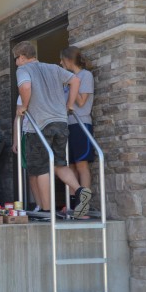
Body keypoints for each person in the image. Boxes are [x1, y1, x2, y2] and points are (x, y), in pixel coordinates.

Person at [14, 41, 92, 218]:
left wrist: (24, 106)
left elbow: (25, 86)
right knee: (58, 164)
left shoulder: (24, 70)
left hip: (40, 125)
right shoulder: (53, 68)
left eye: (16, 59)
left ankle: (47, 211)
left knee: (41, 168)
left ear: (22, 57)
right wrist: (69, 105)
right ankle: (80, 191)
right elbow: (76, 80)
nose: (16, 63)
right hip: (61, 122)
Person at [60, 46, 95, 208]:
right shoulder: (69, 78)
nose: (60, 63)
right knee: (71, 165)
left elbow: (81, 102)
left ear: (68, 60)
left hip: (81, 124)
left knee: (82, 164)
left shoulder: (84, 75)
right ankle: (72, 202)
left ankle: (84, 204)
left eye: (62, 60)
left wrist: (72, 84)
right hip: (68, 125)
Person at [12, 96, 42, 212]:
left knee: (43, 172)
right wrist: (16, 140)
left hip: (44, 133)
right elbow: (18, 117)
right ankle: (40, 205)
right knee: (32, 173)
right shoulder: (23, 93)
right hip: (28, 134)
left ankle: (46, 206)